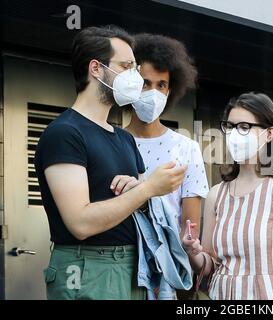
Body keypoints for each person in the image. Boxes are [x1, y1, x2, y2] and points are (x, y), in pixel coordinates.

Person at [34, 25, 186, 300]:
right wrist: (147, 188)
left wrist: (139, 192)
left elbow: (139, 208)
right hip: (87, 269)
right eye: (126, 66)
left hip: (131, 265)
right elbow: (80, 223)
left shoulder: (124, 138)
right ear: (96, 68)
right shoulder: (65, 133)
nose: (135, 77)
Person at [183, 92, 273, 300]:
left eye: (244, 127)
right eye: (230, 126)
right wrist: (193, 252)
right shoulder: (216, 194)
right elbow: (209, 264)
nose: (235, 134)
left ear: (270, 133)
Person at [125, 33, 208, 235]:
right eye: (145, 83)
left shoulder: (188, 148)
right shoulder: (112, 140)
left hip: (168, 262)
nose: (153, 92)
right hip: (119, 260)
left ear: (170, 90)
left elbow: (189, 229)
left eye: (161, 85)